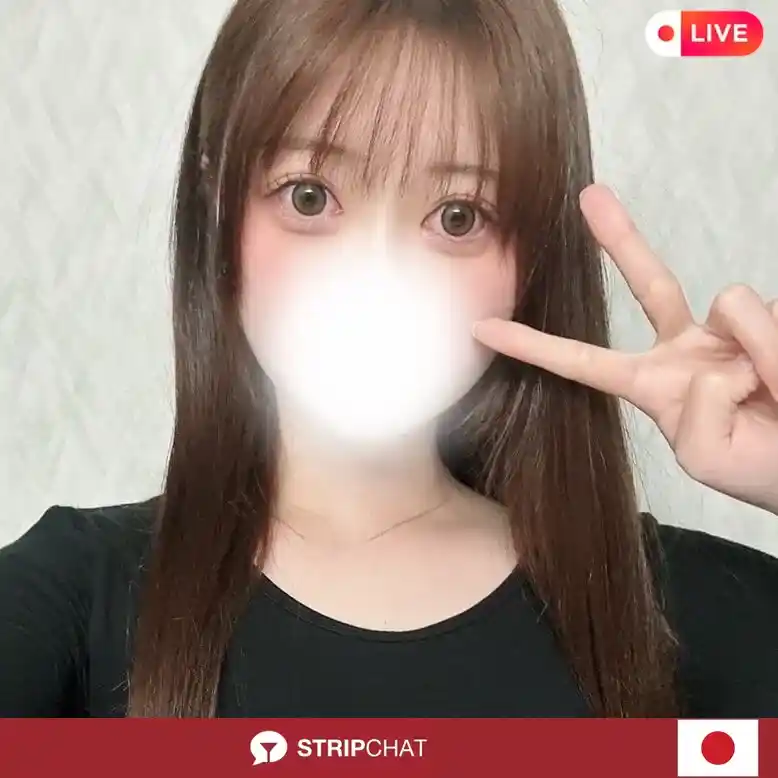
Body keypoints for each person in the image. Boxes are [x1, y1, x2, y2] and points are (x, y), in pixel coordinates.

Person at [1, 0, 777, 719]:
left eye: (457, 215)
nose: (375, 274)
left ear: (531, 260)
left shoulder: (681, 609)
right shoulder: (75, 594)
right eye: (309, 196)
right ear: (220, 204)